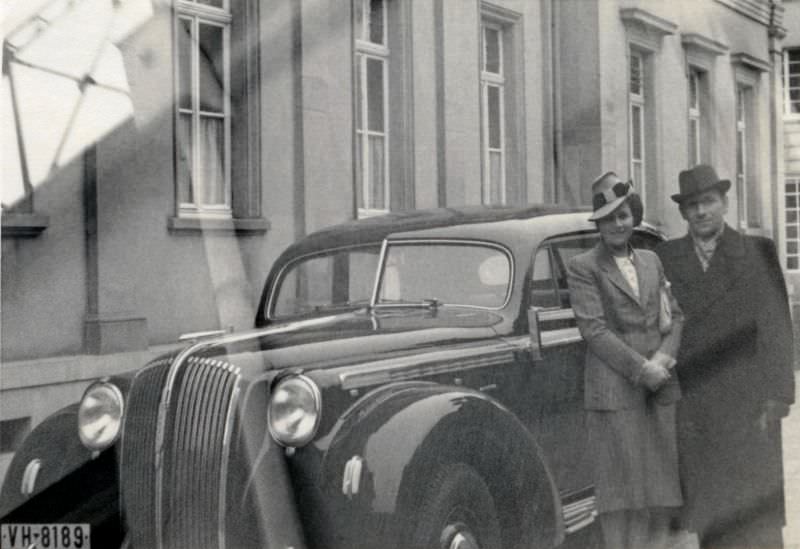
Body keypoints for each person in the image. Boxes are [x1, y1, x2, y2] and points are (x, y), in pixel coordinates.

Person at [655, 164, 795, 549]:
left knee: (758, 516)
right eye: (693, 205)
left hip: (751, 406)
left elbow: (778, 327)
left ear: (725, 203)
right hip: (697, 406)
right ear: (683, 213)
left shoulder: (757, 251)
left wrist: (779, 396)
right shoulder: (666, 257)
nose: (702, 212)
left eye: (709, 202)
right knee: (712, 518)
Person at [567, 172, 684, 549]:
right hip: (615, 396)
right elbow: (594, 331)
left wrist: (663, 360)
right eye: (608, 218)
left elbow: (676, 315)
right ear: (598, 225)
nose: (618, 224)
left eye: (624, 215)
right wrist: (641, 369)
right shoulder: (583, 267)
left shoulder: (651, 260)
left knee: (660, 495)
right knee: (620, 500)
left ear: (634, 217)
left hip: (659, 391)